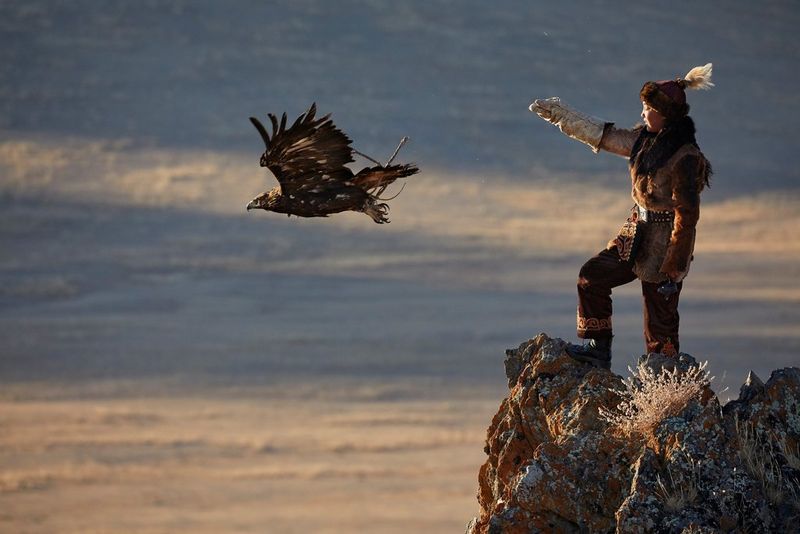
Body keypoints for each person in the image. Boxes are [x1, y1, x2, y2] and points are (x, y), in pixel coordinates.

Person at [529, 64, 714, 369]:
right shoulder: (643, 140)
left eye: (648, 108)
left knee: (660, 319)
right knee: (592, 276)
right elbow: (605, 136)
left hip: (664, 245)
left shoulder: (686, 157)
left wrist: (675, 267)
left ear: (665, 115)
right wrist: (561, 115)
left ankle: (664, 381)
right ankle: (597, 351)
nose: (643, 113)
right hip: (635, 233)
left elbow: (687, 215)